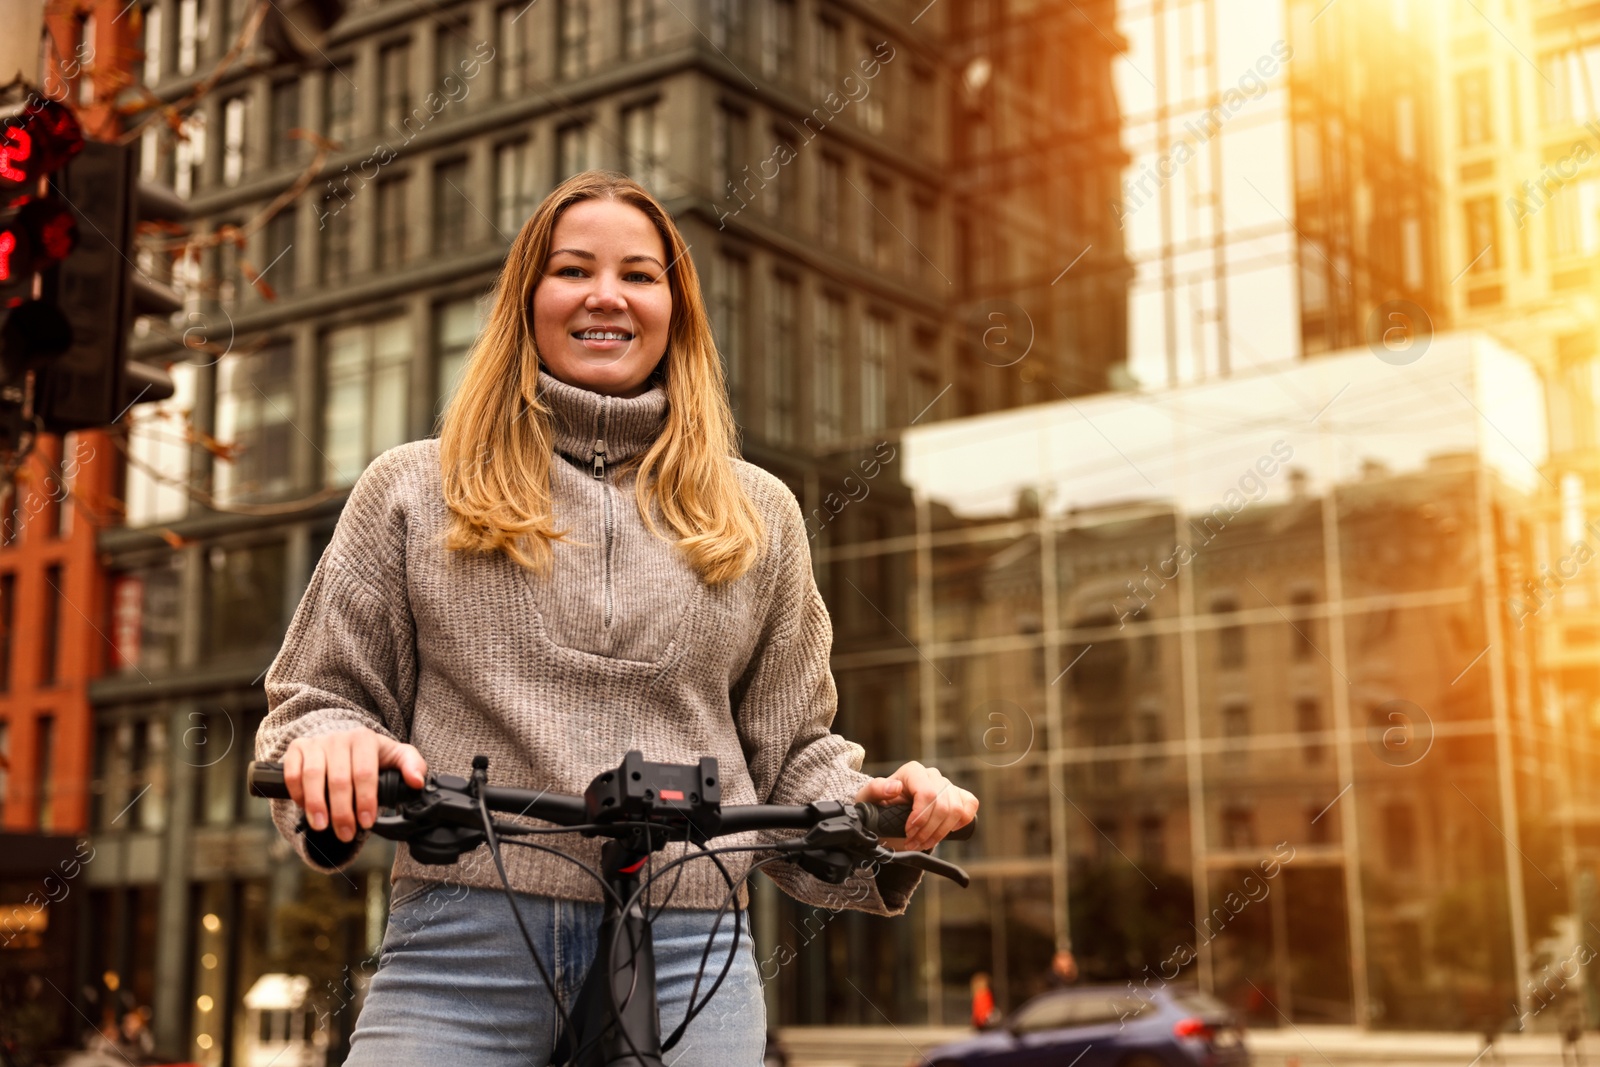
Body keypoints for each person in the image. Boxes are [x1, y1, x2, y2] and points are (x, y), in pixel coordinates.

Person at [257, 170, 979, 1067]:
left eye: (640, 274)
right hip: (459, 947)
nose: (607, 294)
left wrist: (875, 811)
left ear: (676, 310)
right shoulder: (410, 487)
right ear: (528, 301)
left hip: (690, 948)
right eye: (573, 270)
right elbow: (315, 703)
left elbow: (793, 756)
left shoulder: (761, 510)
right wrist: (332, 746)